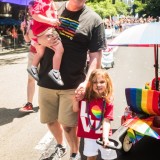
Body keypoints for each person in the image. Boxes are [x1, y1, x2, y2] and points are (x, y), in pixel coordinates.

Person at [37, 0, 106, 159]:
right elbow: (34, 35)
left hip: (72, 85)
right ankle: (60, 144)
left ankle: (74, 153)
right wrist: (40, 40)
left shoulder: (94, 20)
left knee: (69, 126)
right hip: (46, 82)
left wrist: (88, 81)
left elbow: (95, 55)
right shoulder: (52, 7)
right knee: (50, 120)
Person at [73, 69, 117, 160]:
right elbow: (75, 109)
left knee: (108, 157)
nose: (98, 85)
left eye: (102, 82)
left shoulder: (108, 101)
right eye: (95, 82)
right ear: (90, 84)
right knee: (91, 156)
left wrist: (105, 138)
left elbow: (106, 121)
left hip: (103, 135)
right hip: (89, 135)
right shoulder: (84, 97)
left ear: (107, 83)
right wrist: (76, 99)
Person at [27, 0, 64, 86]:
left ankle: (33, 68)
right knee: (59, 50)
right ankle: (55, 72)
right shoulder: (40, 1)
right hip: (45, 30)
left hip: (43, 31)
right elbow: (35, 15)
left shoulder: (50, 2)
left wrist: (55, 21)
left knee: (40, 52)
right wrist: (50, 21)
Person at [19, 1, 36, 112]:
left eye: (32, 8)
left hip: (46, 53)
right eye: (29, 9)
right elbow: (27, 40)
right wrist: (24, 30)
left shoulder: (44, 19)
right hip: (33, 52)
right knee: (31, 79)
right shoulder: (28, 22)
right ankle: (29, 104)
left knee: (47, 80)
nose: (29, 11)